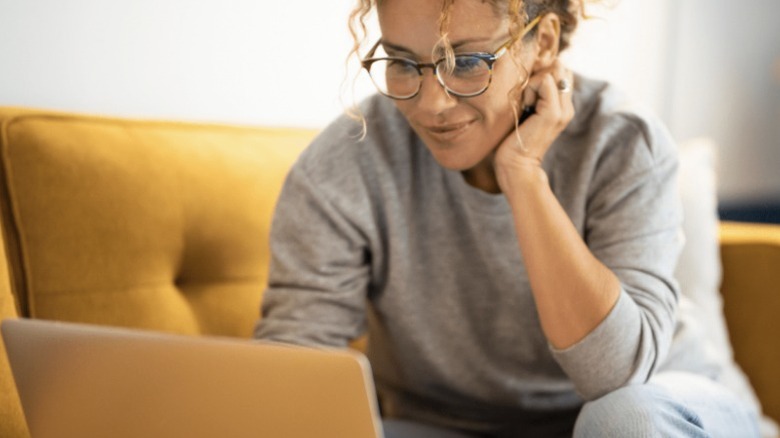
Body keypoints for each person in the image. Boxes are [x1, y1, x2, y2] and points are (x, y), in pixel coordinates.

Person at [255, 0, 762, 436]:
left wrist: (523, 175)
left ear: (541, 42)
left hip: (657, 409)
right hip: (451, 426)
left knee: (623, 421)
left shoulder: (623, 142)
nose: (433, 104)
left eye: (468, 61)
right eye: (403, 63)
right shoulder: (346, 162)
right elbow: (296, 369)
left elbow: (615, 376)